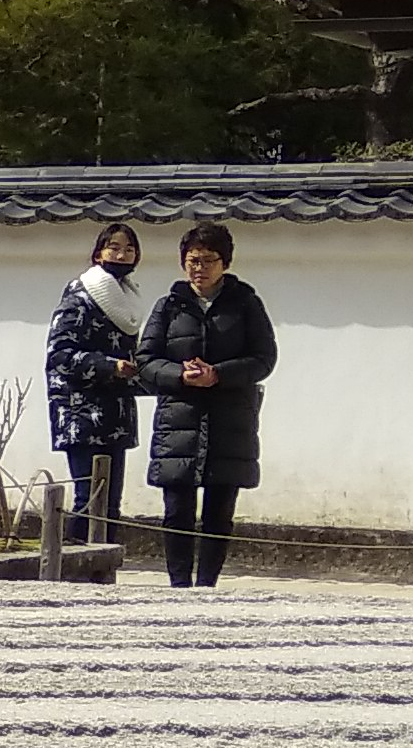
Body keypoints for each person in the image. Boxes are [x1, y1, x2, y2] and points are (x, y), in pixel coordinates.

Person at [135, 219, 276, 588]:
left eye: (209, 260)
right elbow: (146, 360)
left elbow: (264, 358)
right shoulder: (168, 306)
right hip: (178, 420)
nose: (200, 268)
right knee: (176, 511)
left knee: (219, 512)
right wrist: (179, 374)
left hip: (230, 420)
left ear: (225, 262)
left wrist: (219, 374)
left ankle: (208, 586)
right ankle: (178, 586)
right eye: (193, 260)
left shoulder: (245, 304)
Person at [42, 221, 145, 544]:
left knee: (111, 503)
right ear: (98, 253)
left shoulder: (129, 298)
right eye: (114, 247)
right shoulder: (80, 294)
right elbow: (59, 354)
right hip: (80, 412)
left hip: (117, 411)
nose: (122, 254)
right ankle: (71, 564)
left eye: (129, 249)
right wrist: (109, 366)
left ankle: (103, 565)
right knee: (87, 498)